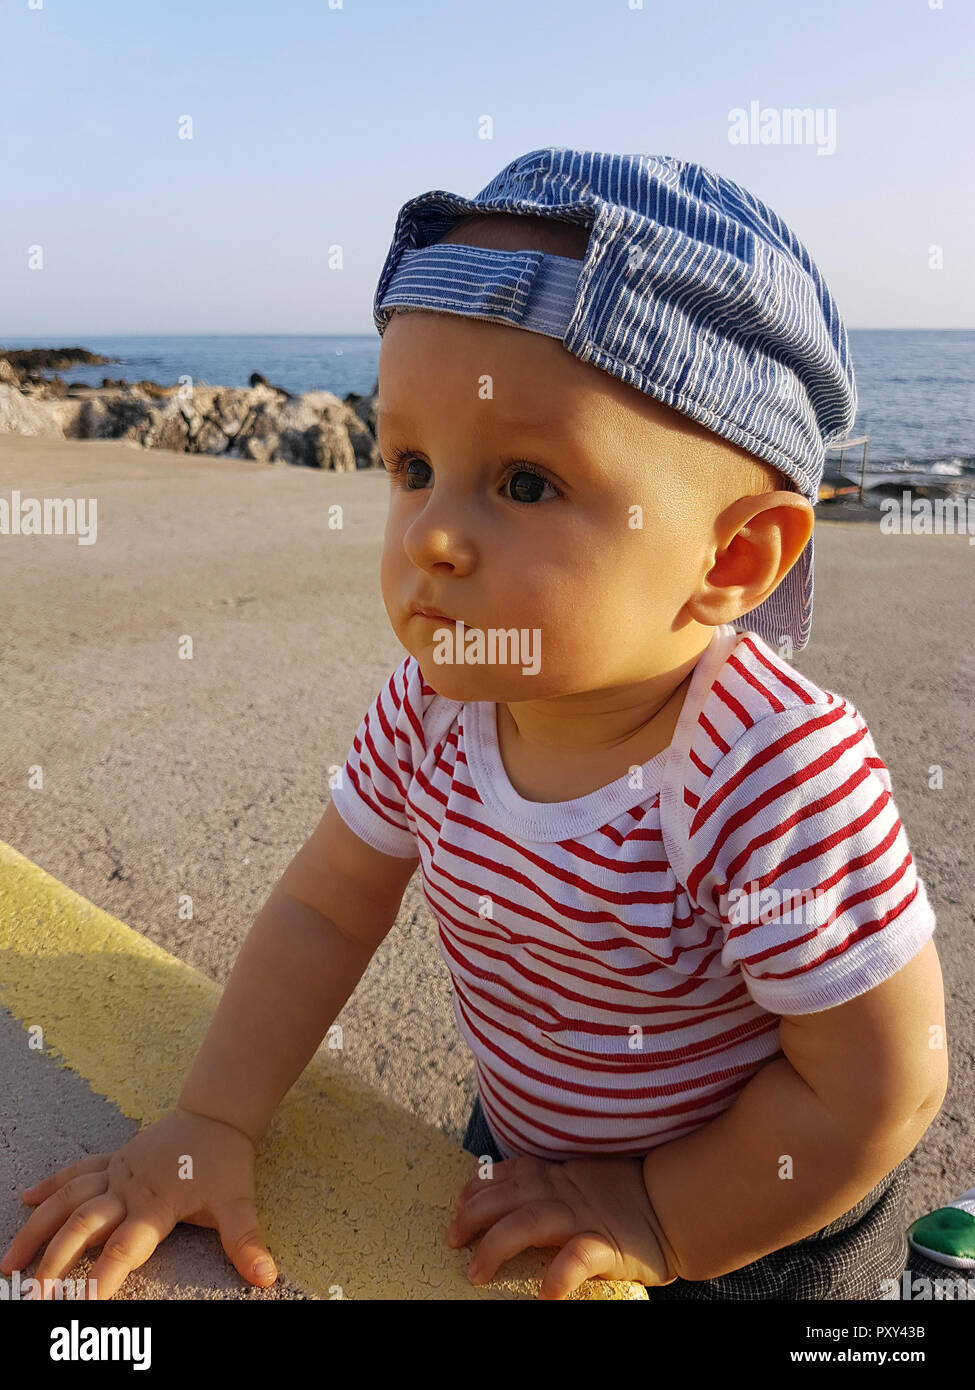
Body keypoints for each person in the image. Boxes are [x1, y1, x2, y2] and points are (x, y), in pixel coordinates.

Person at [0, 149, 959, 1302]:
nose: (428, 538)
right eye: (412, 465)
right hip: (524, 1134)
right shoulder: (436, 706)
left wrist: (661, 1210)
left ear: (733, 556)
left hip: (752, 1204)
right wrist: (210, 1118)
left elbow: (879, 1087)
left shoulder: (769, 771)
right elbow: (323, 904)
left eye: (524, 484)